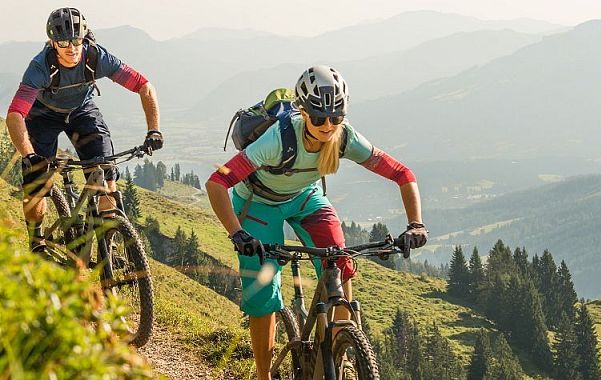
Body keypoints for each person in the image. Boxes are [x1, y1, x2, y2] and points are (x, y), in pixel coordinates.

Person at [206, 65, 428, 379]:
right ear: (303, 111)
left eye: (336, 118)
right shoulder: (278, 138)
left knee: (339, 260)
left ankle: (341, 349)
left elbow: (402, 174)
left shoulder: (345, 137)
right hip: (259, 203)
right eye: (319, 117)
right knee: (263, 293)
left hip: (305, 198)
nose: (328, 125)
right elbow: (217, 182)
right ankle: (263, 374)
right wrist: (237, 232)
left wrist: (416, 223)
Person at [5, 7, 162, 252]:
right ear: (52, 42)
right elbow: (15, 114)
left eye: (77, 39)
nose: (72, 47)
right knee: (37, 182)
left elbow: (144, 85)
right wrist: (29, 155)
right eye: (64, 41)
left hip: (81, 110)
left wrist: (154, 130)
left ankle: (106, 249)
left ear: (85, 36)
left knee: (106, 175)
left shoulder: (96, 57)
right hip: (43, 115)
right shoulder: (40, 67)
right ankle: (36, 241)